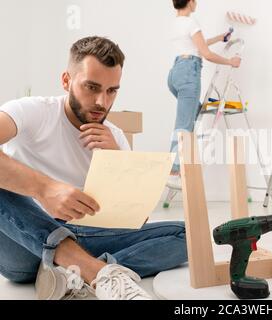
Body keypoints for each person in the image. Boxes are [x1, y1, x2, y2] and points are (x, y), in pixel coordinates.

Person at [0, 36, 188, 300]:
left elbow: (137, 221)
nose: (102, 101)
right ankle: (96, 272)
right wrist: (44, 189)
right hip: (24, 243)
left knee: (189, 235)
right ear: (66, 81)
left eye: (112, 90)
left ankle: (69, 273)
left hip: (87, 236)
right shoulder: (33, 112)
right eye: (92, 87)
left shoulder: (115, 137)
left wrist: (116, 160)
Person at [167, 0, 241, 188]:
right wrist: (230, 62)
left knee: (192, 115)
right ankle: (174, 172)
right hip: (189, 72)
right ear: (190, 2)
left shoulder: (177, 23)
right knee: (184, 126)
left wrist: (219, 38)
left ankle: (177, 167)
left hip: (175, 74)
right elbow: (206, 54)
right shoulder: (191, 23)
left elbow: (198, 45)